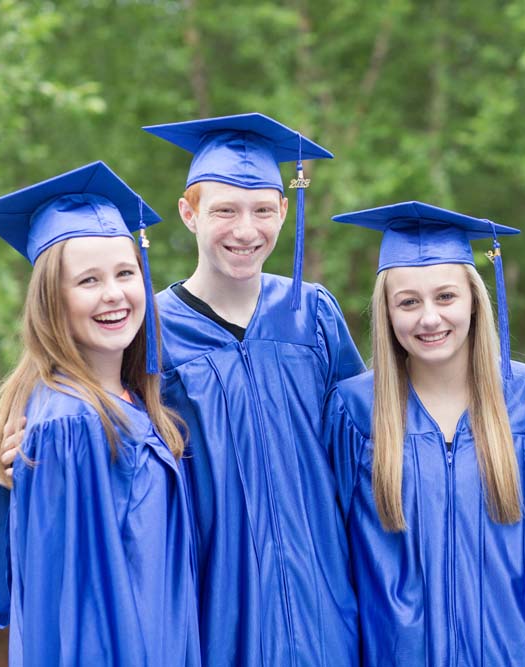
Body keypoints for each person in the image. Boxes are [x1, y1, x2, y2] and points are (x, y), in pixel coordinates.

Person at [323, 201, 525, 665]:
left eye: (445, 297)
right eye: (408, 301)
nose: (429, 318)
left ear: (474, 300)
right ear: (386, 311)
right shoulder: (353, 413)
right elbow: (336, 560)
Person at [141, 113, 365, 665]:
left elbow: (368, 440)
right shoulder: (152, 331)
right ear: (188, 213)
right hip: (214, 598)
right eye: (224, 211)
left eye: (263, 209)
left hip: (324, 595)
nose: (246, 230)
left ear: (285, 211)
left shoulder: (312, 312)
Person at [0, 161, 199, 665]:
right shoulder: (70, 424)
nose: (114, 294)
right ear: (51, 301)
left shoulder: (130, 402)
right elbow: (74, 607)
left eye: (125, 272)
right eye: (88, 281)